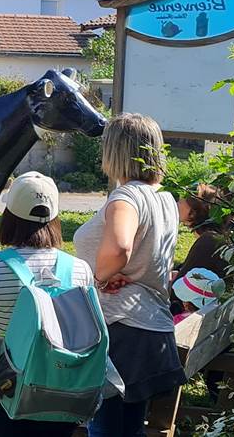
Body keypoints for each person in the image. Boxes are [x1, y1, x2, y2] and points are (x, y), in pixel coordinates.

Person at [72, 113, 186, 437]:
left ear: (115, 151)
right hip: (149, 328)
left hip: (119, 331)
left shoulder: (126, 197)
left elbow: (120, 248)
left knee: (105, 429)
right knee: (129, 429)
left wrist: (99, 277)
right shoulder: (164, 198)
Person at [0, 172, 93, 436]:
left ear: (9, 216)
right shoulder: (80, 269)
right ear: (54, 218)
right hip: (58, 398)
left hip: (1, 397)